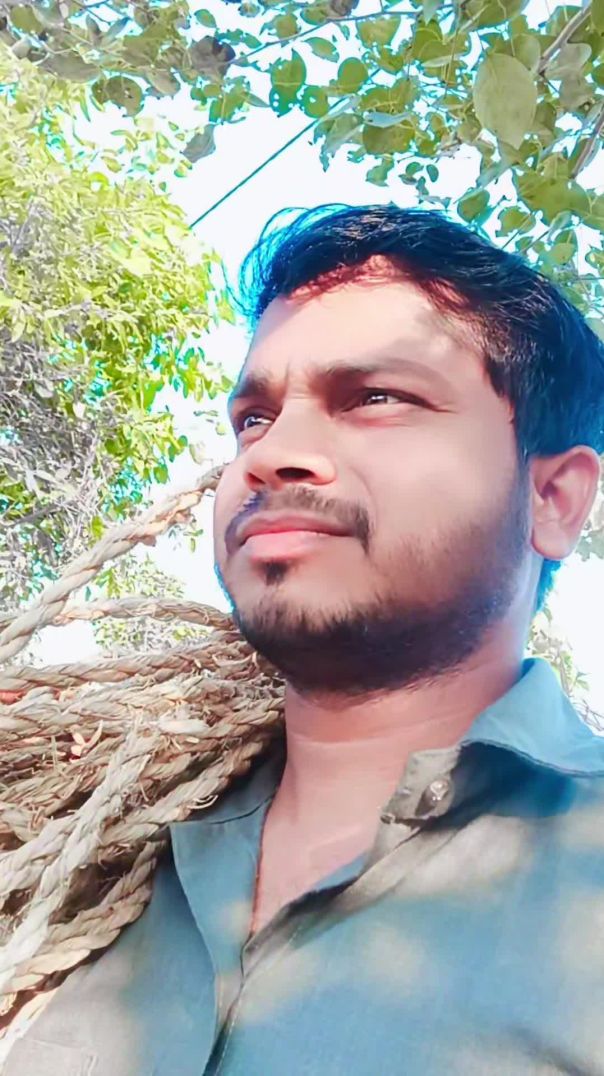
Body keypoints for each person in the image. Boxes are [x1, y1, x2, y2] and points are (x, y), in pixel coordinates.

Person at [6, 203, 604, 1076]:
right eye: (254, 416)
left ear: (553, 499)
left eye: (375, 398)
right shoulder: (76, 842)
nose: (270, 452)